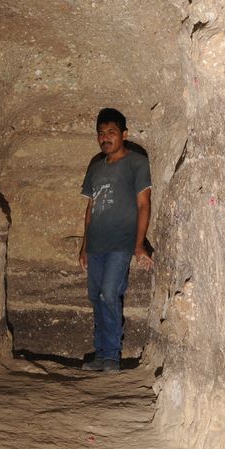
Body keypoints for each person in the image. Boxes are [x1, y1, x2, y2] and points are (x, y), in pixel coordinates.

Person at [78, 107, 152, 371]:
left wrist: (139, 244)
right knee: (95, 296)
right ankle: (100, 354)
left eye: (111, 132)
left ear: (124, 134)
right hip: (96, 243)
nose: (105, 138)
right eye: (101, 134)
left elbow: (144, 204)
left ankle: (111, 355)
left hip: (121, 243)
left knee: (110, 293)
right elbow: (90, 209)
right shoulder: (95, 167)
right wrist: (84, 247)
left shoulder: (137, 163)